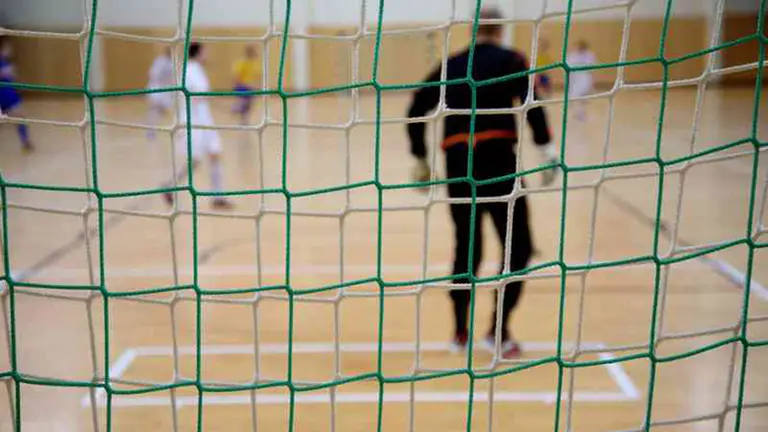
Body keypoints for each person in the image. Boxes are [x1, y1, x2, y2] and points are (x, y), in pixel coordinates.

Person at [406, 7, 558, 360]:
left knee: (467, 247)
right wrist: (547, 148)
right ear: (501, 31)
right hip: (498, 162)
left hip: (459, 166)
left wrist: (420, 156)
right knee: (517, 248)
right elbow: (532, 103)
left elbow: (416, 105)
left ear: (473, 31)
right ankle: (498, 332)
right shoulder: (511, 60)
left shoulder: (452, 64)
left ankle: (460, 333)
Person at [164, 42, 233, 210]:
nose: (207, 55)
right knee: (194, 161)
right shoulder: (189, 71)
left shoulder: (198, 70)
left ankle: (217, 196)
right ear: (198, 53)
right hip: (192, 122)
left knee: (215, 154)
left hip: (204, 120)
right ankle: (170, 186)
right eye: (205, 52)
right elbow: (193, 95)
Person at [0, 37, 33, 152]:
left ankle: (25, 141)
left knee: (20, 117)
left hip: (10, 94)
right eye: (7, 47)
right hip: (5, 95)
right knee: (19, 117)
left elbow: (13, 77)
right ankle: (25, 141)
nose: (10, 50)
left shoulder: (7, 62)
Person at [146, 47, 175, 141]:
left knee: (165, 110)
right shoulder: (159, 61)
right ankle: (151, 131)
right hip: (156, 89)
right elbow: (152, 74)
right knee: (153, 111)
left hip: (166, 91)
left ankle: (174, 128)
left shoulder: (172, 62)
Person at [566, 40, 597, 121]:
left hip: (585, 78)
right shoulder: (573, 55)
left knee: (583, 96)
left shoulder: (589, 55)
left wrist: (592, 82)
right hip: (575, 78)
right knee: (575, 96)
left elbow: (592, 67)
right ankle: (579, 113)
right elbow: (568, 66)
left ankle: (581, 113)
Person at [231, 45, 262, 125]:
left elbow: (258, 75)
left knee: (249, 104)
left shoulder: (255, 62)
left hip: (251, 87)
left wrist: (257, 85)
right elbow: (237, 75)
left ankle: (244, 118)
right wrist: (237, 85)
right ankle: (237, 108)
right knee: (244, 102)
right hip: (242, 86)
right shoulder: (242, 62)